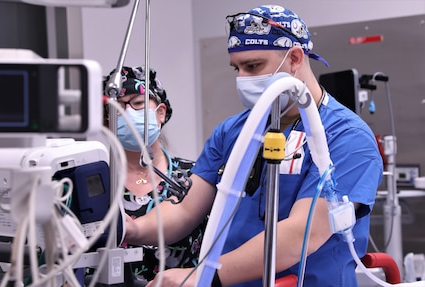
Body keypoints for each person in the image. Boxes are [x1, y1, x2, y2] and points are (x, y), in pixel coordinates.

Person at [125, 5, 383, 287]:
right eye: (237, 68)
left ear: (295, 57)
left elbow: (302, 234)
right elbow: (186, 210)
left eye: (253, 66)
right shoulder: (233, 131)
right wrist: (131, 229)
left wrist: (205, 276)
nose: (242, 79)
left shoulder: (346, 137)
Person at [102, 66, 208, 284]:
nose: (127, 112)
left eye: (138, 103)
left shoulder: (195, 177)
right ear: (106, 122)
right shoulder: (94, 182)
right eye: (117, 107)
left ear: (160, 113)